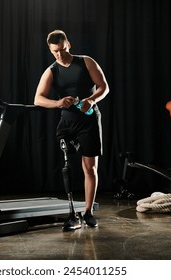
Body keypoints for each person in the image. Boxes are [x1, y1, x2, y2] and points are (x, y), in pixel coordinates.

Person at [34, 30, 109, 230]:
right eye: (54, 52)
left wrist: (91, 100)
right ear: (50, 51)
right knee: (67, 166)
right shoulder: (51, 70)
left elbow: (104, 86)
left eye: (62, 49)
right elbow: (38, 99)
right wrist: (58, 102)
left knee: (90, 168)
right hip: (67, 123)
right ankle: (71, 213)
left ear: (68, 44)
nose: (59, 54)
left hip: (89, 120)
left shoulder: (86, 62)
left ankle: (88, 212)